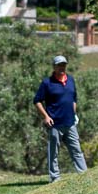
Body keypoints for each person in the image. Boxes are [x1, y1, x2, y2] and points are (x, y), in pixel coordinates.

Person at [33, 54, 88, 183]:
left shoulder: (71, 80)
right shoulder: (47, 83)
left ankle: (84, 174)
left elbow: (74, 98)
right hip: (55, 123)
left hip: (70, 123)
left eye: (63, 65)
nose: (62, 67)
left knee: (77, 150)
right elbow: (37, 101)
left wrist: (73, 113)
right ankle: (55, 177)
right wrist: (46, 116)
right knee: (53, 152)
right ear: (54, 67)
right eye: (59, 65)